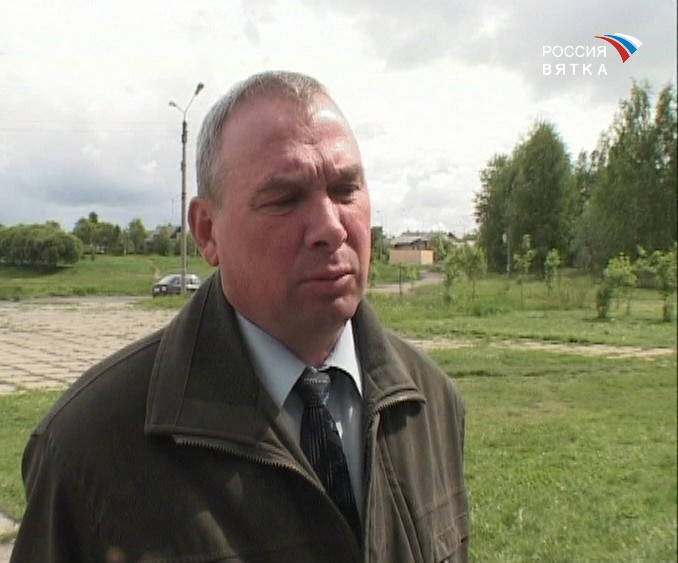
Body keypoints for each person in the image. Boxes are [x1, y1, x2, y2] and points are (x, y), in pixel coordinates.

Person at [11, 70, 469, 563]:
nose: (331, 228)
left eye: (345, 189)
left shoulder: (431, 404)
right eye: (285, 199)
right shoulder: (90, 450)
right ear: (208, 232)